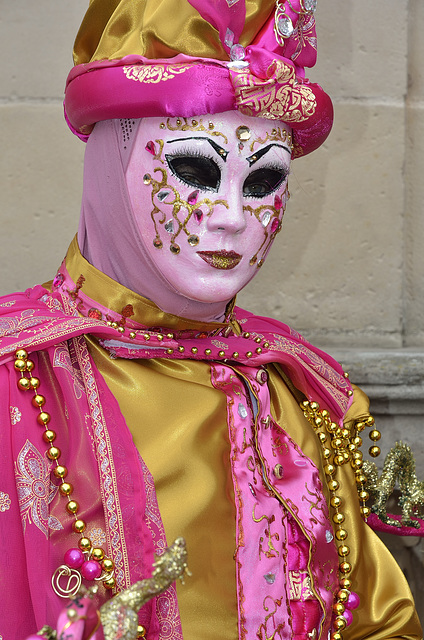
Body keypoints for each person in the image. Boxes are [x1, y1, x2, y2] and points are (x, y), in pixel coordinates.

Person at [0, 1, 421, 639]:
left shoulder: (296, 391)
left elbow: (374, 617)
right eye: (195, 170)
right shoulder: (17, 377)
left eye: (263, 180)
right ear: (111, 170)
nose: (230, 215)